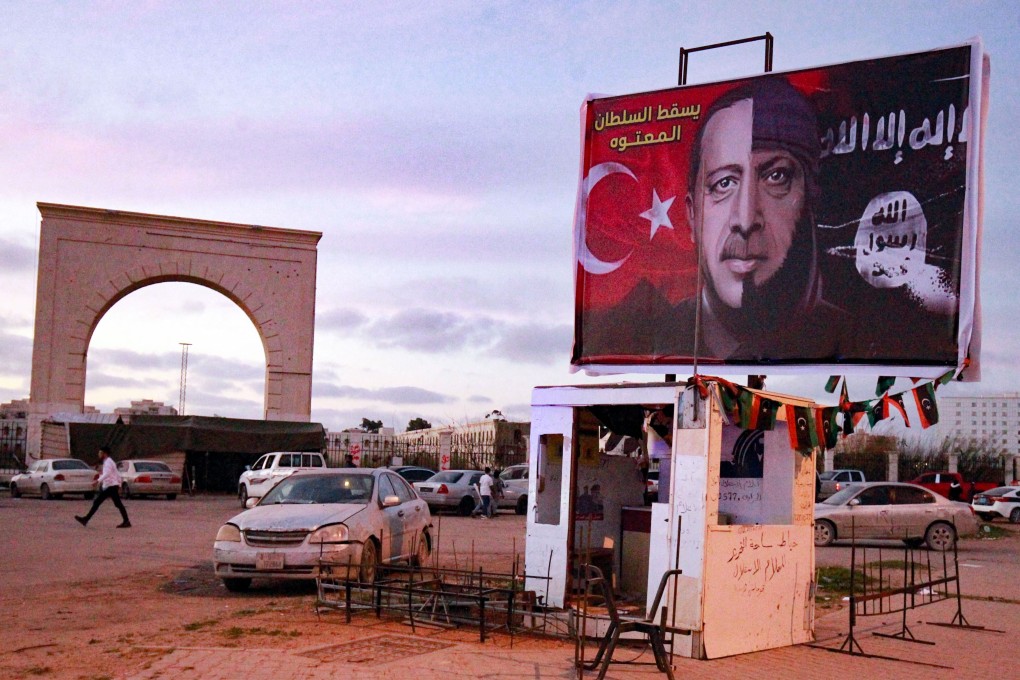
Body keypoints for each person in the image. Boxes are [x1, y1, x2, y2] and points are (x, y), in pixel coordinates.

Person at [674, 77, 851, 360]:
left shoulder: (856, 341)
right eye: (724, 184)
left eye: (775, 177)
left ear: (811, 200)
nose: (744, 220)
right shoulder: (646, 336)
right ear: (692, 215)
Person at [76, 446, 131, 528]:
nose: (99, 454)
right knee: (117, 504)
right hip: (111, 486)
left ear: (104, 454)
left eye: (100, 453)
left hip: (111, 486)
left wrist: (98, 481)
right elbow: (116, 474)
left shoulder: (108, 462)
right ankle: (126, 521)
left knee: (98, 502)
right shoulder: (109, 461)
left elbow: (107, 474)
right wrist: (119, 485)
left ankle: (86, 519)